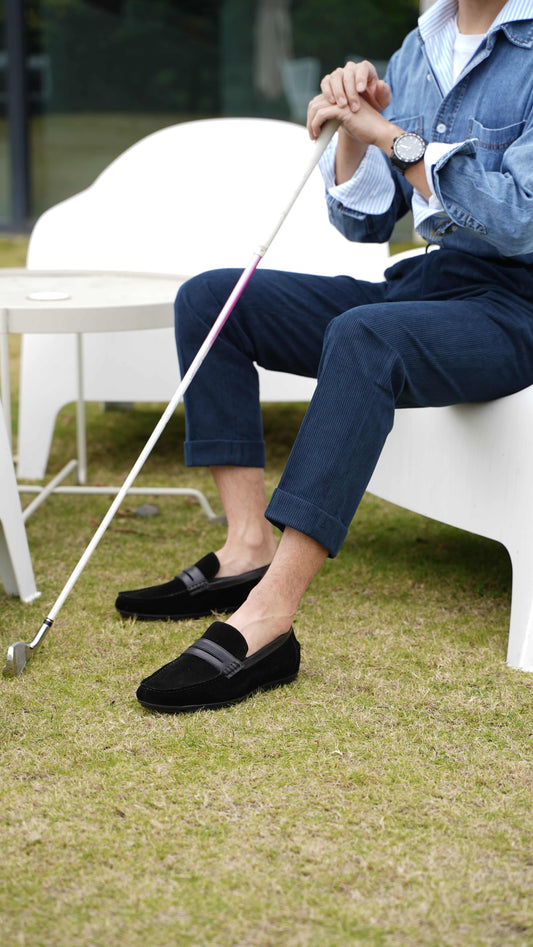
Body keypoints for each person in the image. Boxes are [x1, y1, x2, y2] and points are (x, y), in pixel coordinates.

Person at [116, 0, 533, 712]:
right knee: (214, 298)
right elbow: (363, 222)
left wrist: (395, 138)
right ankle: (246, 545)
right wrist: (351, 132)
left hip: (514, 304)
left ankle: (271, 614)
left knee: (363, 334)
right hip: (431, 281)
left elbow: (517, 217)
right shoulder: (421, 43)